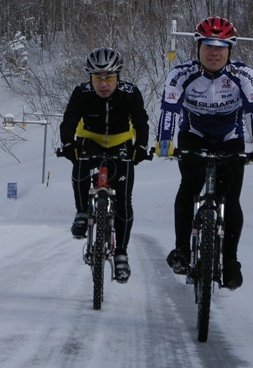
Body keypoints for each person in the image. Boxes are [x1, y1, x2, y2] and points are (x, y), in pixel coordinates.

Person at [155, 16, 253, 290]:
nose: (214, 52)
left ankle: (230, 261)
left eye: (221, 46)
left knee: (231, 199)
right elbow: (169, 109)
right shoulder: (181, 74)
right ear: (198, 47)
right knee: (188, 188)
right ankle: (182, 250)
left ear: (230, 50)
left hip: (229, 139)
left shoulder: (243, 75)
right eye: (208, 45)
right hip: (193, 137)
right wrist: (164, 140)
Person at [59, 47, 150, 283]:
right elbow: (69, 119)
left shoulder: (130, 92)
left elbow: (141, 121)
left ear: (117, 76)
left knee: (123, 200)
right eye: (97, 78)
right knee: (80, 161)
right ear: (90, 77)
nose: (103, 83)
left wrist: (140, 147)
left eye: (109, 78)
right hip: (90, 139)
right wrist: (68, 143)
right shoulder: (82, 92)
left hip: (120, 142)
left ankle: (121, 253)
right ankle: (81, 212)